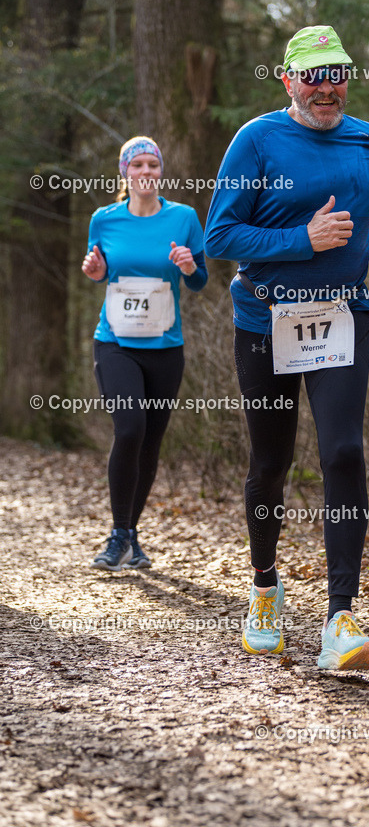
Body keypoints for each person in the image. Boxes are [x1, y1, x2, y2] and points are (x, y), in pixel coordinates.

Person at [204, 25, 369, 670]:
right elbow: (220, 236)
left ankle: (340, 617)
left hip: (343, 313)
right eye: (313, 75)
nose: (326, 87)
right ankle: (265, 586)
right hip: (266, 321)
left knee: (343, 451)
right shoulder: (257, 140)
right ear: (287, 79)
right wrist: (303, 241)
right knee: (271, 463)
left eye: (336, 73)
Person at [82, 136, 208, 571]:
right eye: (138, 164)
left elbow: (199, 280)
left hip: (165, 348)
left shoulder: (184, 218)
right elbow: (98, 270)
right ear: (125, 173)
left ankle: (130, 533)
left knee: (151, 441)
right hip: (114, 342)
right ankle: (117, 535)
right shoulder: (104, 219)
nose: (146, 172)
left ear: (161, 171)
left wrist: (190, 267)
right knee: (130, 427)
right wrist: (97, 273)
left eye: (153, 164)